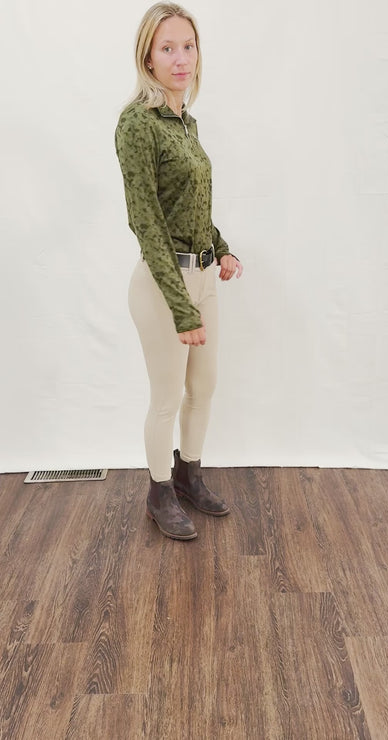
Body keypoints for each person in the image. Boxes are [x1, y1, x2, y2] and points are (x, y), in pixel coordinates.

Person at [115, 2, 243, 541]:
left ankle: (189, 475)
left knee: (204, 387)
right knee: (167, 396)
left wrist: (222, 249)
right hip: (163, 285)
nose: (180, 58)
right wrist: (182, 307)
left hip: (204, 277)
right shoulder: (136, 124)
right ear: (148, 56)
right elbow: (146, 222)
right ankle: (159, 491)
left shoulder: (187, 123)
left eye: (187, 46)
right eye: (167, 48)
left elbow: (192, 208)